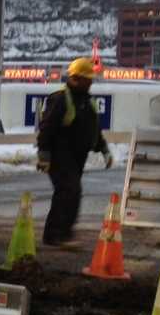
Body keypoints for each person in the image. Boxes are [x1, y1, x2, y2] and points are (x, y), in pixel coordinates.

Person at [38, 57, 113, 248]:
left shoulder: (86, 102)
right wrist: (44, 156)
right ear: (75, 78)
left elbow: (93, 129)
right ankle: (55, 235)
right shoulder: (61, 99)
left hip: (77, 159)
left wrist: (103, 149)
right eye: (87, 80)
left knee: (71, 193)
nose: (90, 83)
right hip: (59, 157)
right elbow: (46, 128)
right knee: (68, 191)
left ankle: (63, 234)